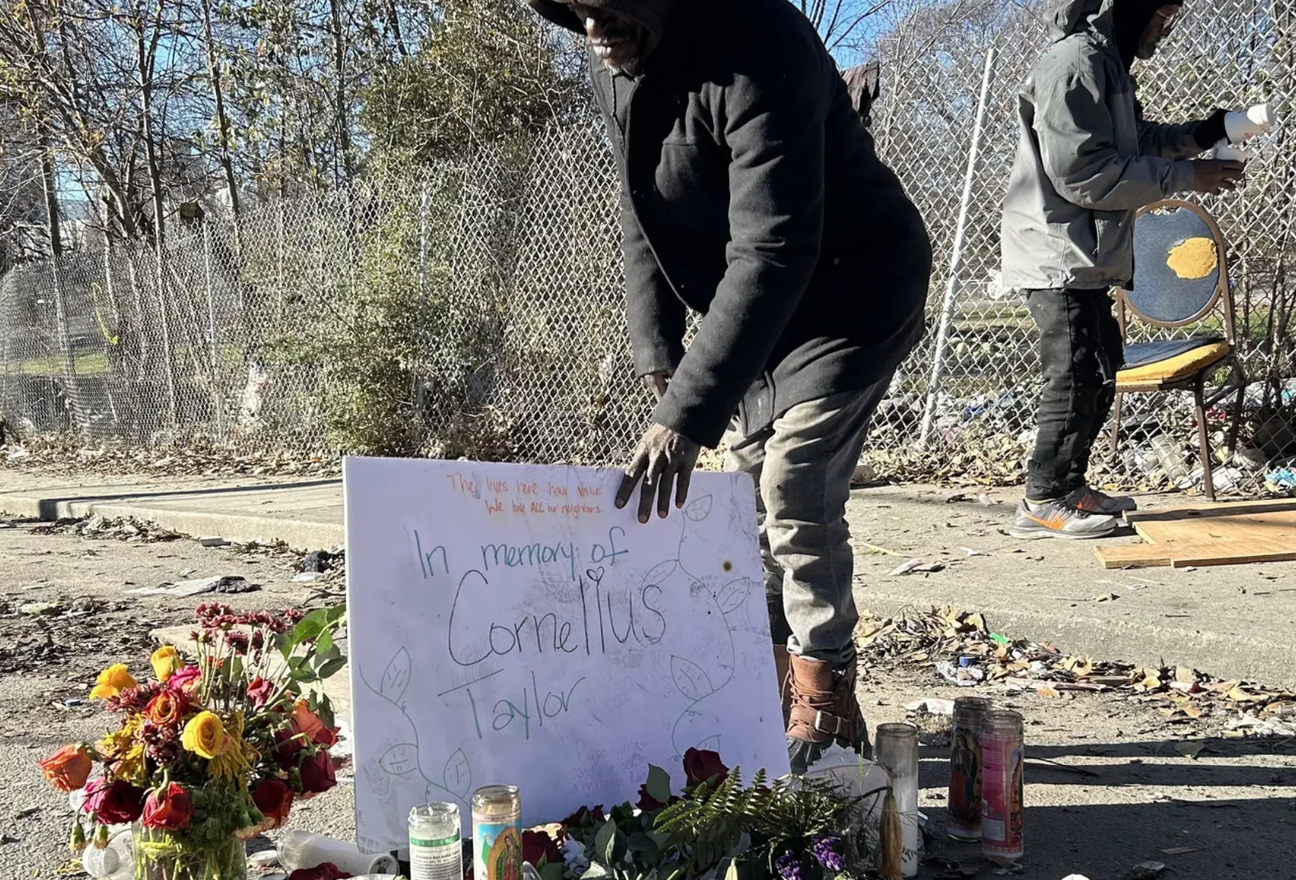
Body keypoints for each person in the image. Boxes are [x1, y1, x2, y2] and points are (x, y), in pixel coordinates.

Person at [525, 0, 933, 771]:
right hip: (750, 315)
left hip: (851, 292)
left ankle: (827, 696)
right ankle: (767, 690)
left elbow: (776, 244)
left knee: (795, 482)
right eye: (574, 11)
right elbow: (638, 207)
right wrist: (659, 345)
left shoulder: (759, 40)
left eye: (608, 8)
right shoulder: (622, 55)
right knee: (744, 506)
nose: (593, 31)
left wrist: (686, 416)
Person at [999, 0, 1245, 539]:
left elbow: (1136, 140)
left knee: (1100, 367)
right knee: (1074, 374)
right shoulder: (1076, 63)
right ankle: (1042, 499)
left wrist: (1204, 133)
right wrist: (1185, 177)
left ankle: (1069, 485)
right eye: (1164, 12)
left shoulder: (1106, 63)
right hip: (1056, 250)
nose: (1167, 26)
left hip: (1084, 251)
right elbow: (1082, 174)